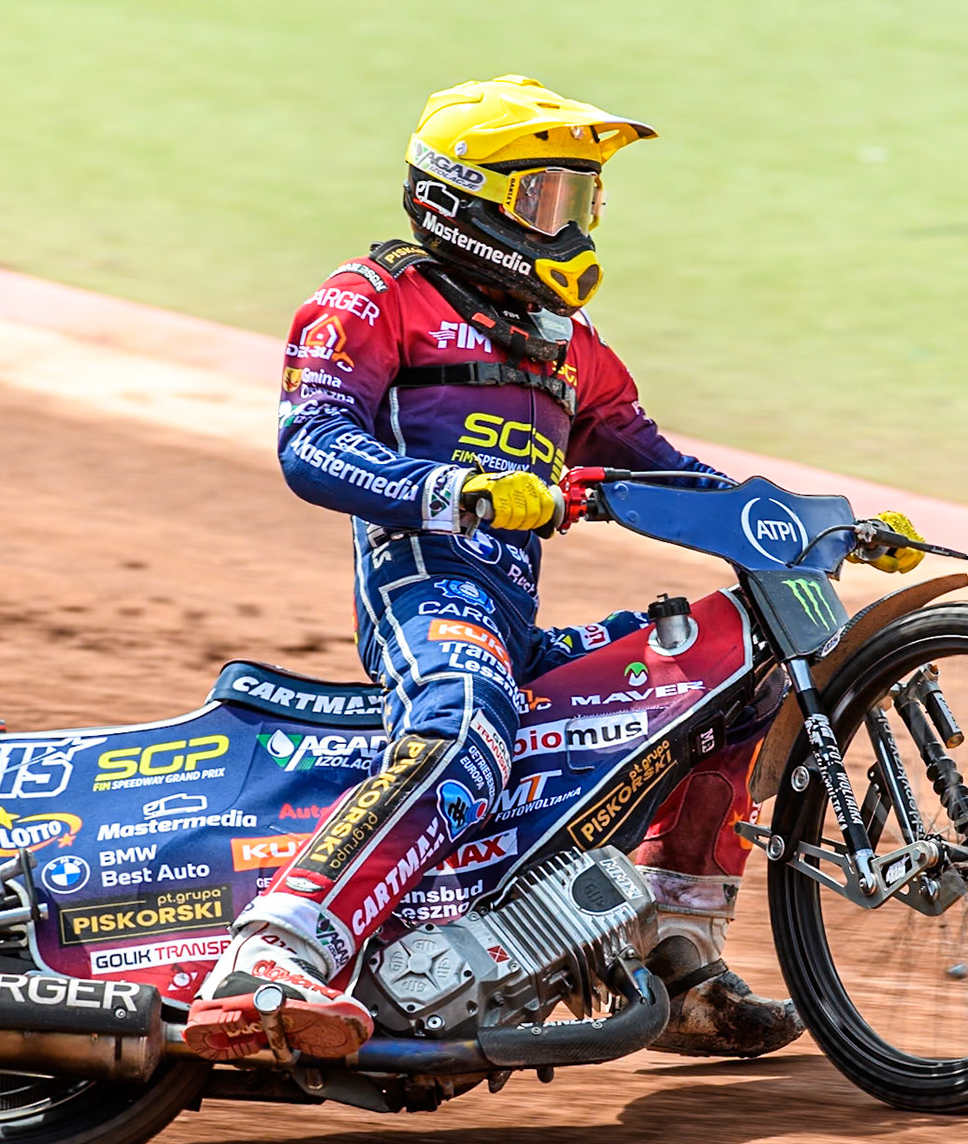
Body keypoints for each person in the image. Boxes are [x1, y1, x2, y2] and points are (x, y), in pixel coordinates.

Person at [185, 76, 918, 1062]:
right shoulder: (370, 300)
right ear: (460, 199)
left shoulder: (568, 346)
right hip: (427, 599)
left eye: (582, 201)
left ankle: (675, 954)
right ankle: (276, 951)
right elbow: (309, 446)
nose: (569, 224)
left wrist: (824, 527)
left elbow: (667, 469)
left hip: (513, 621)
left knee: (735, 667)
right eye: (546, 199)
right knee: (467, 725)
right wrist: (467, 492)